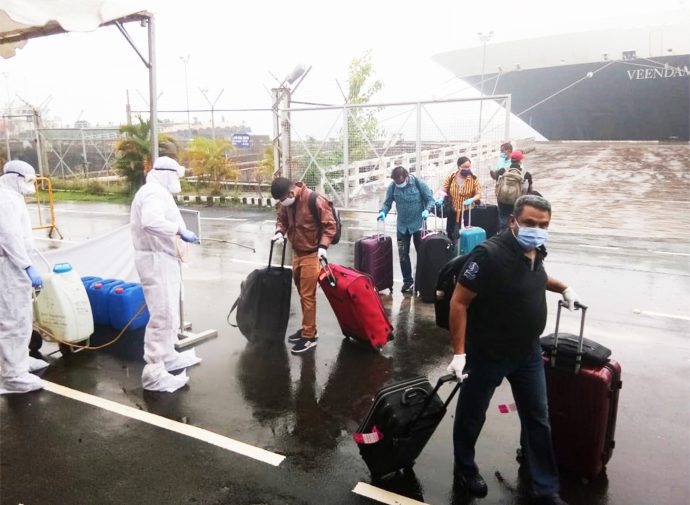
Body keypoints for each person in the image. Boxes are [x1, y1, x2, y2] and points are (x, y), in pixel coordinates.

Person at [446, 195, 580, 505]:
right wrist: (459, 353)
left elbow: (535, 276)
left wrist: (563, 287)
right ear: (513, 221)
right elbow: (459, 302)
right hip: (488, 353)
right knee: (472, 415)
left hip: (527, 353)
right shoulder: (487, 255)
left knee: (538, 418)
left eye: (544, 225)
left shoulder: (534, 250)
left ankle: (545, 488)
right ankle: (465, 468)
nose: (537, 230)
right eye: (531, 223)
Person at [130, 156, 201, 393]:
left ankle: (168, 355)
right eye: (176, 175)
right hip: (156, 260)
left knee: (170, 313)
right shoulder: (152, 192)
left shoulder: (158, 191)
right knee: (162, 316)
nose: (178, 180)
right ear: (166, 173)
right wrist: (179, 230)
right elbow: (151, 222)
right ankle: (154, 373)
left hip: (164, 259)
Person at [0, 160, 50, 394]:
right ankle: (13, 376)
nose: (31, 186)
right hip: (9, 267)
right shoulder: (5, 199)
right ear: (14, 177)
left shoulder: (12, 197)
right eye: (28, 181)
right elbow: (8, 237)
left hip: (15, 266)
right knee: (12, 320)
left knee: (22, 316)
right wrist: (27, 265)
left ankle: (20, 361)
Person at [271, 177, 337, 354]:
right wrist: (279, 232)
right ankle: (307, 327)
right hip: (297, 253)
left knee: (307, 297)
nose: (282, 203)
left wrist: (323, 247)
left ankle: (310, 336)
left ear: (291, 193)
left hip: (311, 254)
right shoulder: (288, 204)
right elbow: (282, 219)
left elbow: (330, 225)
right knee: (302, 294)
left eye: (283, 199)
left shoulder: (314, 199)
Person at [377, 166, 435, 293]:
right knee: (403, 254)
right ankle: (407, 282)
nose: (399, 185)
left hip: (419, 225)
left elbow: (430, 199)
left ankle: (421, 281)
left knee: (422, 254)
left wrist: (427, 210)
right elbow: (387, 203)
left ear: (406, 177)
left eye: (401, 182)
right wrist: (383, 212)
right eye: (397, 183)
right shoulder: (393, 187)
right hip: (402, 227)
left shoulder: (418, 183)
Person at [435, 156, 481, 242]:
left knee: (467, 233)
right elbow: (443, 189)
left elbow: (478, 194)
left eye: (468, 167)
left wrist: (472, 199)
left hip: (468, 211)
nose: (467, 169)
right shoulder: (451, 178)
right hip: (453, 210)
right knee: (452, 232)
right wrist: (441, 198)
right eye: (464, 167)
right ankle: (452, 249)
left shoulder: (473, 179)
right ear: (458, 166)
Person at [493, 150, 534, 230]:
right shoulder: (526, 174)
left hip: (502, 199)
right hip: (518, 201)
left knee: (503, 217)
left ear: (511, 159)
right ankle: (514, 236)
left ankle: (502, 235)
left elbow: (497, 183)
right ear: (520, 161)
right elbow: (530, 190)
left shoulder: (502, 171)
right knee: (516, 219)